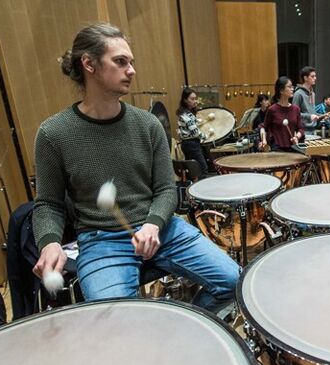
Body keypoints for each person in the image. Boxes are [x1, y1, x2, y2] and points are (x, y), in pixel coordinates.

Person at [32, 23, 239, 312]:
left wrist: (153, 224)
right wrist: (50, 242)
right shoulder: (54, 133)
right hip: (102, 241)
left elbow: (167, 188)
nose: (131, 70)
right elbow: (48, 204)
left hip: (161, 229)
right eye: (120, 62)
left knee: (233, 281)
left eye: (131, 62)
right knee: (121, 321)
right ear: (89, 64)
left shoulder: (148, 125)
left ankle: (188, 328)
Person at [259, 76, 304, 152]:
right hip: (277, 149)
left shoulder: (296, 109)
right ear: (281, 91)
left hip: (292, 148)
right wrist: (264, 140)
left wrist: (296, 137)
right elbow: (263, 127)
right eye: (289, 87)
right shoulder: (272, 109)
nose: (292, 89)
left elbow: (301, 129)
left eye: (292, 87)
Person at [176, 87, 208, 177]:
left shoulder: (187, 112)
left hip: (188, 144)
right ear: (185, 100)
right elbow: (195, 132)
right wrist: (206, 136)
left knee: (193, 171)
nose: (195, 101)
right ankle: (201, 190)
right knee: (203, 169)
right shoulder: (186, 115)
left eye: (195, 98)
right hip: (191, 144)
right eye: (192, 99)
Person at [291, 66, 324, 137]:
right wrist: (309, 117)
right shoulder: (298, 93)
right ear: (305, 78)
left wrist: (322, 116)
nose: (315, 78)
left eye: (315, 76)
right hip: (302, 131)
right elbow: (294, 114)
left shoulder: (313, 93)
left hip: (313, 130)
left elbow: (312, 113)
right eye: (312, 76)